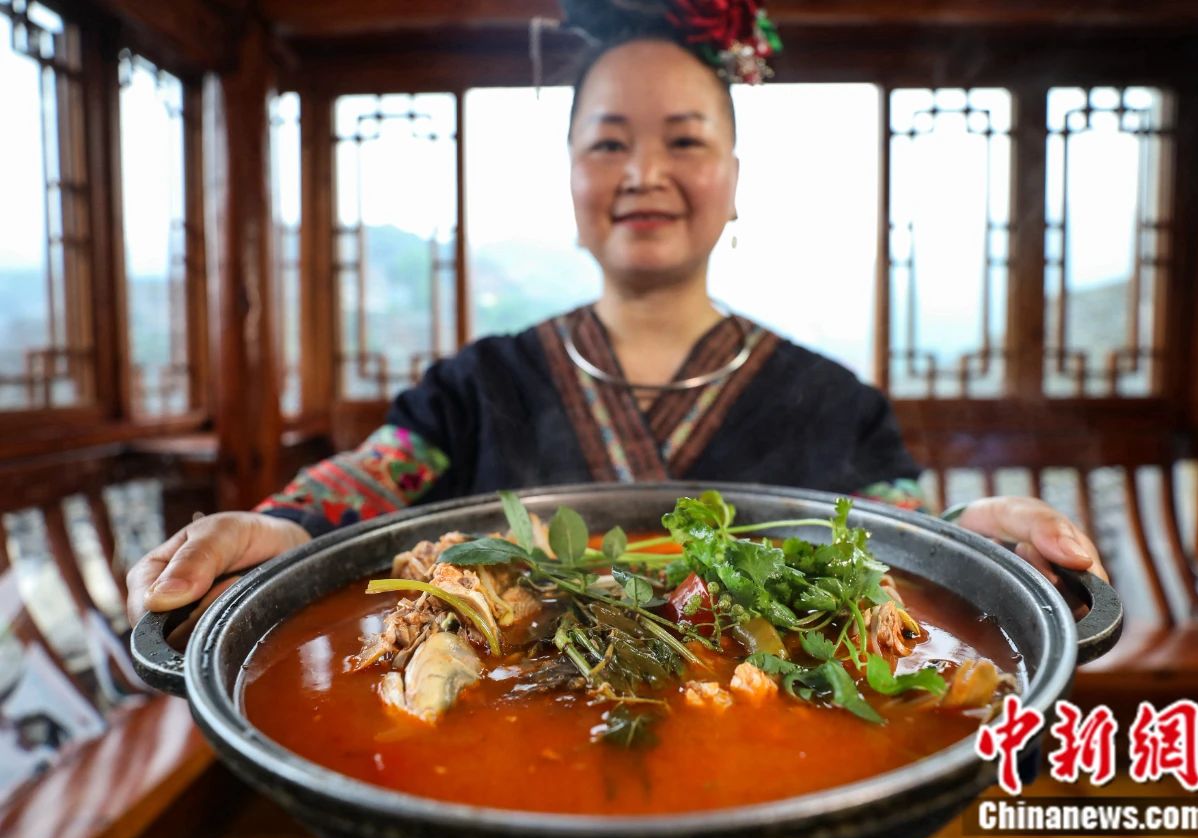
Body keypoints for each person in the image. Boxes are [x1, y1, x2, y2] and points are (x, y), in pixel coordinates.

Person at [126, 0, 1105, 625]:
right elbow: (366, 485)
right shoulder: (475, 387)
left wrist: (971, 541)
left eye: (684, 140)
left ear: (733, 179)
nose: (642, 173)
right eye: (606, 144)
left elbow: (904, 537)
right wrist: (279, 529)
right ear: (569, 178)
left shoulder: (834, 402)